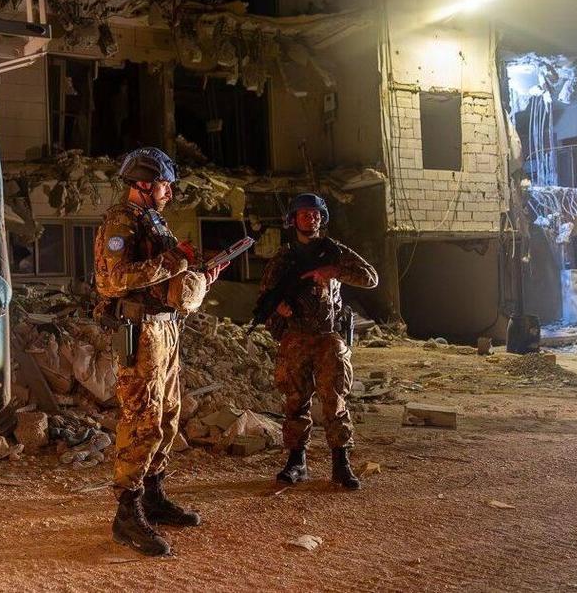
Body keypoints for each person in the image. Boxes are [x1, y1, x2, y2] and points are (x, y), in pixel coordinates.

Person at [93, 147, 225, 556]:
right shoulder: (120, 223)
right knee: (143, 418)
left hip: (164, 328)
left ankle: (153, 496)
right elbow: (112, 280)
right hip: (140, 331)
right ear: (144, 184)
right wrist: (174, 261)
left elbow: (165, 279)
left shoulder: (152, 220)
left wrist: (200, 277)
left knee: (167, 413)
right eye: (165, 185)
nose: (169, 192)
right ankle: (127, 513)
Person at [257, 193, 378, 489]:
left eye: (315, 214)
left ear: (322, 219)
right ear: (293, 219)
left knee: (335, 401)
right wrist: (278, 308)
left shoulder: (334, 251)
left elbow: (371, 277)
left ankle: (341, 464)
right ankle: (296, 462)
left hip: (327, 338)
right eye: (304, 214)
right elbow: (264, 297)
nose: (310, 218)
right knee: (295, 402)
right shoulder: (283, 257)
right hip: (295, 337)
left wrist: (335, 271)